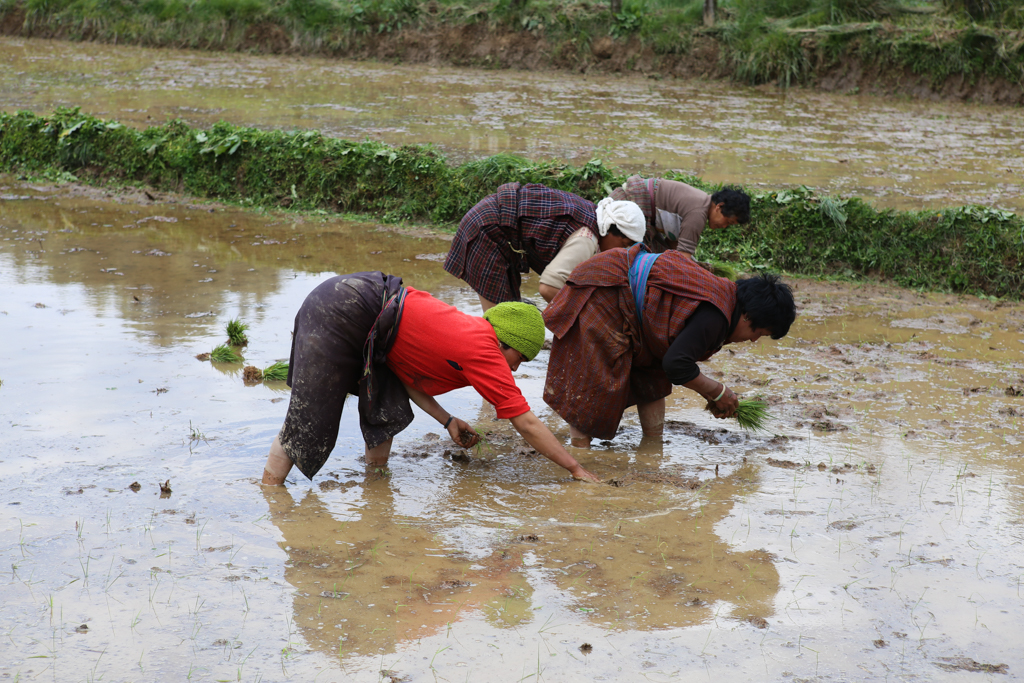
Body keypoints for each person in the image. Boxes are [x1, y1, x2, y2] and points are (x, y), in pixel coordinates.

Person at [261, 272, 600, 485]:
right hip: (341, 309)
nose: (514, 369)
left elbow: (411, 382)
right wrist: (575, 468)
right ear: (505, 341)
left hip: (367, 315)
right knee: (309, 422)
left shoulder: (469, 334)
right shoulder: (483, 349)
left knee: (388, 409)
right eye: (519, 359)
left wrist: (448, 420)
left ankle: (376, 488)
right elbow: (525, 423)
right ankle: (270, 494)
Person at [542, 244, 795, 448]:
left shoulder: (725, 301)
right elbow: (677, 365)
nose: (752, 340)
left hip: (630, 300)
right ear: (748, 315)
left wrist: (711, 395)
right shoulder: (716, 315)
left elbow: (669, 361)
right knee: (595, 380)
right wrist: (718, 392)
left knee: (652, 375)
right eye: (759, 333)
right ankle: (581, 454)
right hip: (605, 289)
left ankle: (653, 447)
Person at [443, 182, 645, 311]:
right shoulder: (587, 238)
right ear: (609, 230)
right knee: (503, 325)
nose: (622, 253)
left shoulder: (593, 214)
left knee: (510, 314)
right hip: (487, 232)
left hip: (495, 225)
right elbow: (548, 287)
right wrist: (585, 311)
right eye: (624, 245)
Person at [609, 175, 751, 255]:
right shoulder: (698, 213)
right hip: (627, 203)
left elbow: (672, 248)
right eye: (729, 222)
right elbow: (683, 258)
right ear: (719, 207)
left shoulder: (700, 205)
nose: (724, 226)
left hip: (644, 215)